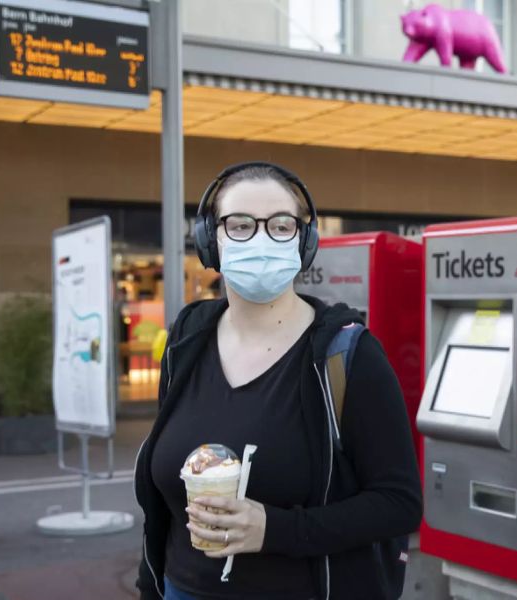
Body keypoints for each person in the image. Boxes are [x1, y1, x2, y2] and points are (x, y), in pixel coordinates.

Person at [134, 162, 422, 600]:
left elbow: (399, 504)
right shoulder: (185, 339)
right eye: (241, 225)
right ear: (211, 240)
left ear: (304, 242)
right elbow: (165, 506)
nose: (262, 239)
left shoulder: (350, 356)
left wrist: (276, 529)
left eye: (281, 225)